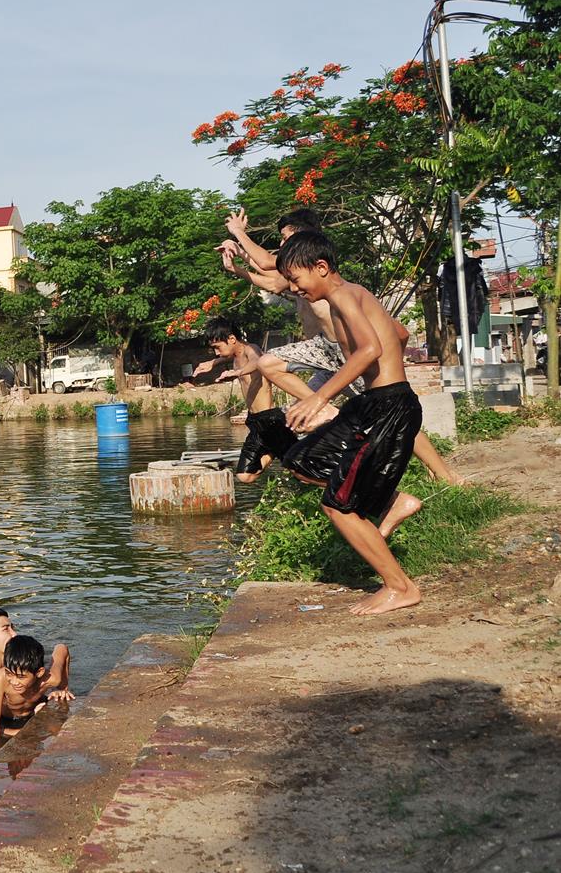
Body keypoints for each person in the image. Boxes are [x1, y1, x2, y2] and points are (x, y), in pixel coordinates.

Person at [219, 209, 462, 484]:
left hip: (335, 352)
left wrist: (238, 235)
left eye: (286, 238)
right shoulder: (304, 277)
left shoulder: (330, 284)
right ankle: (327, 451)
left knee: (386, 411)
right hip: (325, 353)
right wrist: (238, 266)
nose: (282, 245)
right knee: (309, 415)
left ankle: (439, 473)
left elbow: (264, 262)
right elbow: (270, 279)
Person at [274, 231, 425, 616]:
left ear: (321, 267)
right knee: (301, 460)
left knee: (338, 506)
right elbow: (400, 333)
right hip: (373, 402)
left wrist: (318, 396)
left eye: (295, 279)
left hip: (389, 406)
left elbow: (371, 348)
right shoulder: (355, 293)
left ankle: (400, 587)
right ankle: (392, 501)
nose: (294, 288)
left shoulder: (342, 295)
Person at [193, 318, 297, 483]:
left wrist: (238, 372)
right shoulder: (236, 356)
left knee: (300, 471)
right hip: (255, 421)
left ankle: (278, 451)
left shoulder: (251, 349)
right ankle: (273, 451)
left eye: (217, 347)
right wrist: (212, 363)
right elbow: (228, 357)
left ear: (232, 339)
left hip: (271, 419)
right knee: (245, 476)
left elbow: (258, 362)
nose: (216, 352)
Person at [0, 635, 72, 741]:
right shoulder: (0, 679)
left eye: (21, 677)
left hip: (32, 713)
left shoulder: (52, 679)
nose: (14, 682)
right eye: (9, 673)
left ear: (39, 672)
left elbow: (62, 648)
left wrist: (62, 689)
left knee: (60, 733)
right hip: (7, 721)